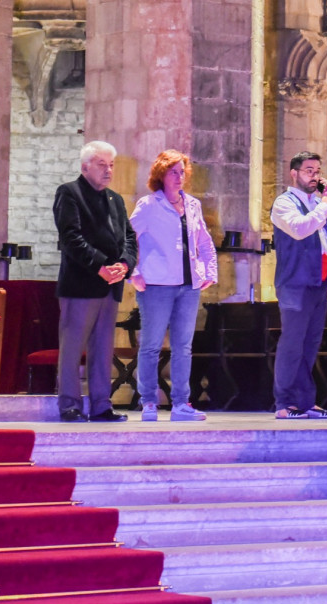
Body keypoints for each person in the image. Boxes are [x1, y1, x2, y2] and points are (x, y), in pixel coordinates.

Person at [129, 150, 217, 422]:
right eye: (173, 172)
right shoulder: (148, 205)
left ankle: (181, 403)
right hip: (157, 284)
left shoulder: (192, 204)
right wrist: (133, 272)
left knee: (183, 347)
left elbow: (204, 241)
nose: (179, 177)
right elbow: (127, 238)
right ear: (161, 175)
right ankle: (148, 402)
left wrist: (209, 270)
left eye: (182, 172)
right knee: (151, 345)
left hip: (188, 285)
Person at [53, 140, 137, 422]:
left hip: (110, 285)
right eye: (102, 165)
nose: (108, 170)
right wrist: (100, 266)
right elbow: (70, 238)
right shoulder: (69, 193)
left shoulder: (115, 199)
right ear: (85, 166)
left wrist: (124, 264)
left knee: (103, 349)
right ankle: (69, 405)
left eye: (111, 165)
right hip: (81, 284)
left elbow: (129, 237)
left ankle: (101, 405)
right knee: (73, 347)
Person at [270, 151, 327, 419]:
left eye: (317, 171)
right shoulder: (284, 202)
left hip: (318, 280)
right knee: (292, 343)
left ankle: (306, 402)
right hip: (295, 282)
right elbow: (299, 228)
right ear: (294, 173)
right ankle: (284, 404)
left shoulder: (319, 202)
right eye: (309, 171)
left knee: (310, 344)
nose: (314, 176)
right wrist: (325, 207)